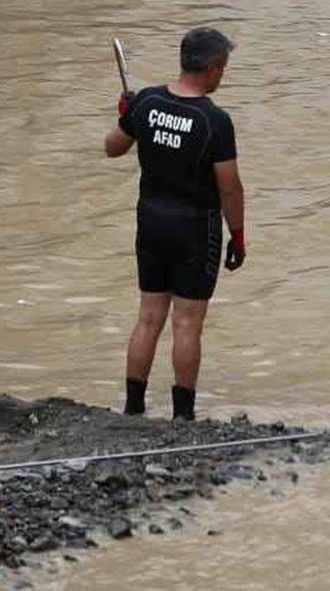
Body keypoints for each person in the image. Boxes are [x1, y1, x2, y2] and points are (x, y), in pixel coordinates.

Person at [103, 26, 246, 421]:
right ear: (212, 68)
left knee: (149, 316)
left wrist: (125, 115)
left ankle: (133, 408)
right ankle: (183, 416)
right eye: (224, 67)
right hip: (195, 231)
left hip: (150, 223)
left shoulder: (146, 101)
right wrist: (239, 236)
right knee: (187, 322)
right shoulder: (214, 121)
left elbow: (112, 148)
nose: (224, 74)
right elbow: (230, 188)